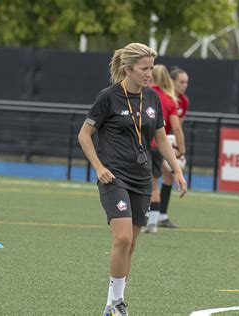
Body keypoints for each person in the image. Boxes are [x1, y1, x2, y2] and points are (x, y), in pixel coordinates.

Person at [77, 43, 187, 315]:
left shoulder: (152, 99)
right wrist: (98, 166)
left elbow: (160, 138)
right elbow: (84, 135)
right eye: (144, 69)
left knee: (133, 244)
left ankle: (115, 301)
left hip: (141, 178)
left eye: (151, 68)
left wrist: (178, 170)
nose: (150, 73)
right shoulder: (109, 96)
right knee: (123, 238)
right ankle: (114, 303)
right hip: (114, 176)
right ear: (128, 69)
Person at [142, 64, 185, 234]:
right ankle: (153, 221)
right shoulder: (169, 100)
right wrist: (181, 149)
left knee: (140, 184)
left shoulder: (144, 94)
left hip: (142, 145)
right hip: (158, 147)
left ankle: (145, 217)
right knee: (153, 185)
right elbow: (177, 128)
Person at [158, 66, 190, 228]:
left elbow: (178, 128)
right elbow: (175, 128)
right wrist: (182, 150)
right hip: (155, 140)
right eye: (181, 82)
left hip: (167, 142)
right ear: (171, 82)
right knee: (150, 177)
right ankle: (150, 215)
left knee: (168, 177)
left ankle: (161, 215)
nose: (184, 85)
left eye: (186, 82)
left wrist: (177, 147)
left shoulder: (183, 101)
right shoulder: (164, 96)